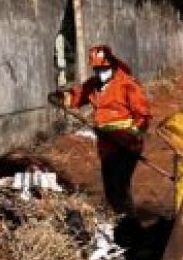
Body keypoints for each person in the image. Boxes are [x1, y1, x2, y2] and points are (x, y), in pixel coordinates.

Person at [51, 45, 152, 217]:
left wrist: (130, 136)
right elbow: (77, 96)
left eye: (104, 68)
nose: (100, 72)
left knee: (118, 186)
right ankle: (125, 224)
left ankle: (129, 226)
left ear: (112, 64)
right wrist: (61, 98)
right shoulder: (94, 85)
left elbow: (143, 115)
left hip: (127, 144)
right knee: (111, 188)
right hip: (107, 146)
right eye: (97, 69)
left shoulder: (127, 84)